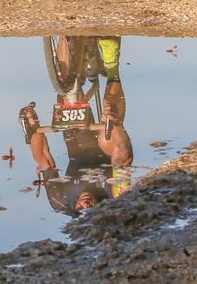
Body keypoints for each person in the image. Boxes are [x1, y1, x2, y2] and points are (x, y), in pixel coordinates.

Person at [19, 36, 133, 216]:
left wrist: (33, 127)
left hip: (78, 150)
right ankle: (112, 68)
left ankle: (64, 38)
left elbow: (43, 159)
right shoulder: (114, 200)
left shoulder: (60, 201)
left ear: (74, 210)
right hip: (107, 152)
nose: (86, 204)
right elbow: (124, 161)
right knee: (114, 137)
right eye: (92, 208)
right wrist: (113, 124)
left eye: (81, 209)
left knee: (68, 100)